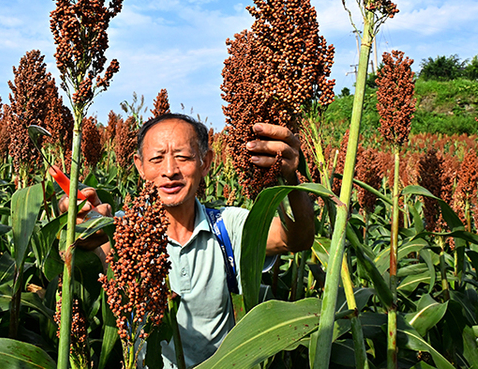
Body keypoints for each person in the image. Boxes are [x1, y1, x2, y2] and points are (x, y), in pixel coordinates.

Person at [64, 113, 315, 368]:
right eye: (156, 159)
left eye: (183, 157)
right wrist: (84, 226)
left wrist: (288, 179)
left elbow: (297, 239)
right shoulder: (123, 231)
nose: (170, 171)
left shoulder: (228, 226)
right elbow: (74, 250)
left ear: (205, 162)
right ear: (139, 166)